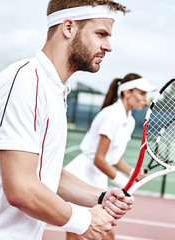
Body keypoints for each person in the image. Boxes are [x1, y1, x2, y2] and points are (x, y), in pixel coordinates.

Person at [0, 1, 135, 239]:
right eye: (101, 34)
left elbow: (47, 173)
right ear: (68, 27)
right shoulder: (27, 83)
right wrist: (84, 220)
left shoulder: (54, 91)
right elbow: (22, 188)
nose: (108, 46)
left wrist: (100, 196)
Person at [65, 73, 156, 240]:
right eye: (142, 93)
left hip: (96, 176)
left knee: (91, 232)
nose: (146, 99)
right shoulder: (111, 115)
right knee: (85, 232)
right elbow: (99, 159)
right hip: (81, 175)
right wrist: (122, 181)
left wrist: (132, 173)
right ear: (127, 92)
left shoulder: (128, 120)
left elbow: (113, 158)